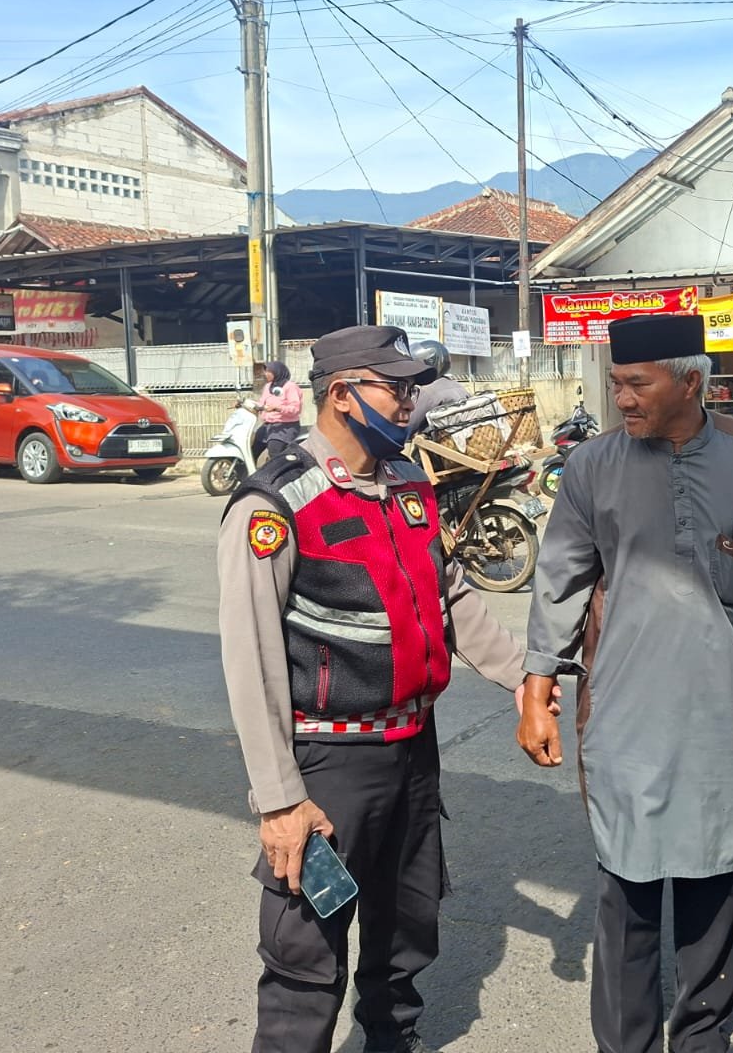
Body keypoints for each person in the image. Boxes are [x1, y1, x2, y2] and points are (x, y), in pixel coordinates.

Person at [217, 325, 540, 1053]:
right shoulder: (276, 503)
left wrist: (523, 678)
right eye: (395, 389)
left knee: (405, 933)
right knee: (306, 958)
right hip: (328, 766)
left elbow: (450, 596)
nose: (409, 403)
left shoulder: (409, 486)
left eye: (412, 389)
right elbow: (252, 661)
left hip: (413, 751)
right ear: (341, 393)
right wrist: (280, 801)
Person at [518, 313, 733, 1053]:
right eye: (616, 383)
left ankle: (703, 1036)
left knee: (718, 872)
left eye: (637, 384)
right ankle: (626, 1043)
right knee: (628, 878)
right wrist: (538, 684)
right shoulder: (591, 466)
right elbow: (559, 579)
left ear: (690, 382)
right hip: (624, 707)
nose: (621, 398)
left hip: (729, 707)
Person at [406, 340, 470, 436]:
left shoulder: (428, 391)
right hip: (461, 439)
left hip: (435, 442)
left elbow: (408, 426)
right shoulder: (457, 385)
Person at [255, 359, 303, 461]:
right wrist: (245, 404)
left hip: (285, 427)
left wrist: (278, 408)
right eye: (265, 371)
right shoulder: (268, 386)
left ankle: (277, 470)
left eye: (269, 371)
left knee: (274, 450)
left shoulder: (290, 387)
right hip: (268, 426)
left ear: (277, 371)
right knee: (253, 448)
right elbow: (261, 403)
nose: (266, 374)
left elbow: (295, 409)